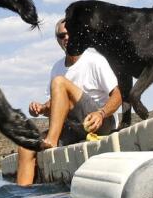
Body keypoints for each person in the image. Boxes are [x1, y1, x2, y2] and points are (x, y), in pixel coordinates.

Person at [14, 19, 123, 187]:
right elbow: (57, 106)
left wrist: (101, 113)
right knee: (25, 146)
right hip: (73, 126)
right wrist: (41, 108)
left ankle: (51, 140)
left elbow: (117, 96)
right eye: (61, 35)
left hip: (99, 121)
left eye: (70, 32)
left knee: (59, 82)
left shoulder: (94, 60)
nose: (67, 37)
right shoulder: (57, 67)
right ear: (57, 39)